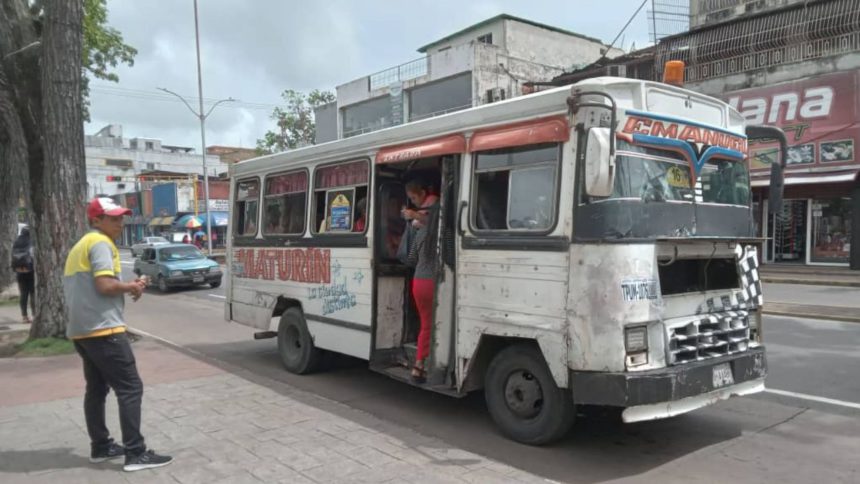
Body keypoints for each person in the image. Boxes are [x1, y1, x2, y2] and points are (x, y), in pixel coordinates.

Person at [64, 197, 173, 472]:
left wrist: (128, 286)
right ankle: (135, 453)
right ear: (96, 220)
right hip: (104, 330)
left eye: (121, 218)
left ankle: (100, 446)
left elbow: (95, 286)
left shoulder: (81, 245)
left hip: (82, 331)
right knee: (130, 388)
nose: (120, 223)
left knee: (97, 389)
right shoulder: (101, 243)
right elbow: (103, 285)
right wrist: (131, 286)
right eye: (113, 218)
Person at [402, 179, 440, 383]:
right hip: (434, 282)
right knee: (433, 324)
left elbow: (411, 259)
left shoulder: (420, 233)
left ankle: (420, 364)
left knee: (426, 323)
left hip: (418, 281)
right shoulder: (444, 235)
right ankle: (421, 365)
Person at [10, 227, 35, 323]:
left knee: (23, 294)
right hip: (30, 271)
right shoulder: (31, 242)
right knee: (33, 293)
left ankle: (24, 316)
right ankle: (34, 314)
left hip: (20, 271)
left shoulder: (16, 242)